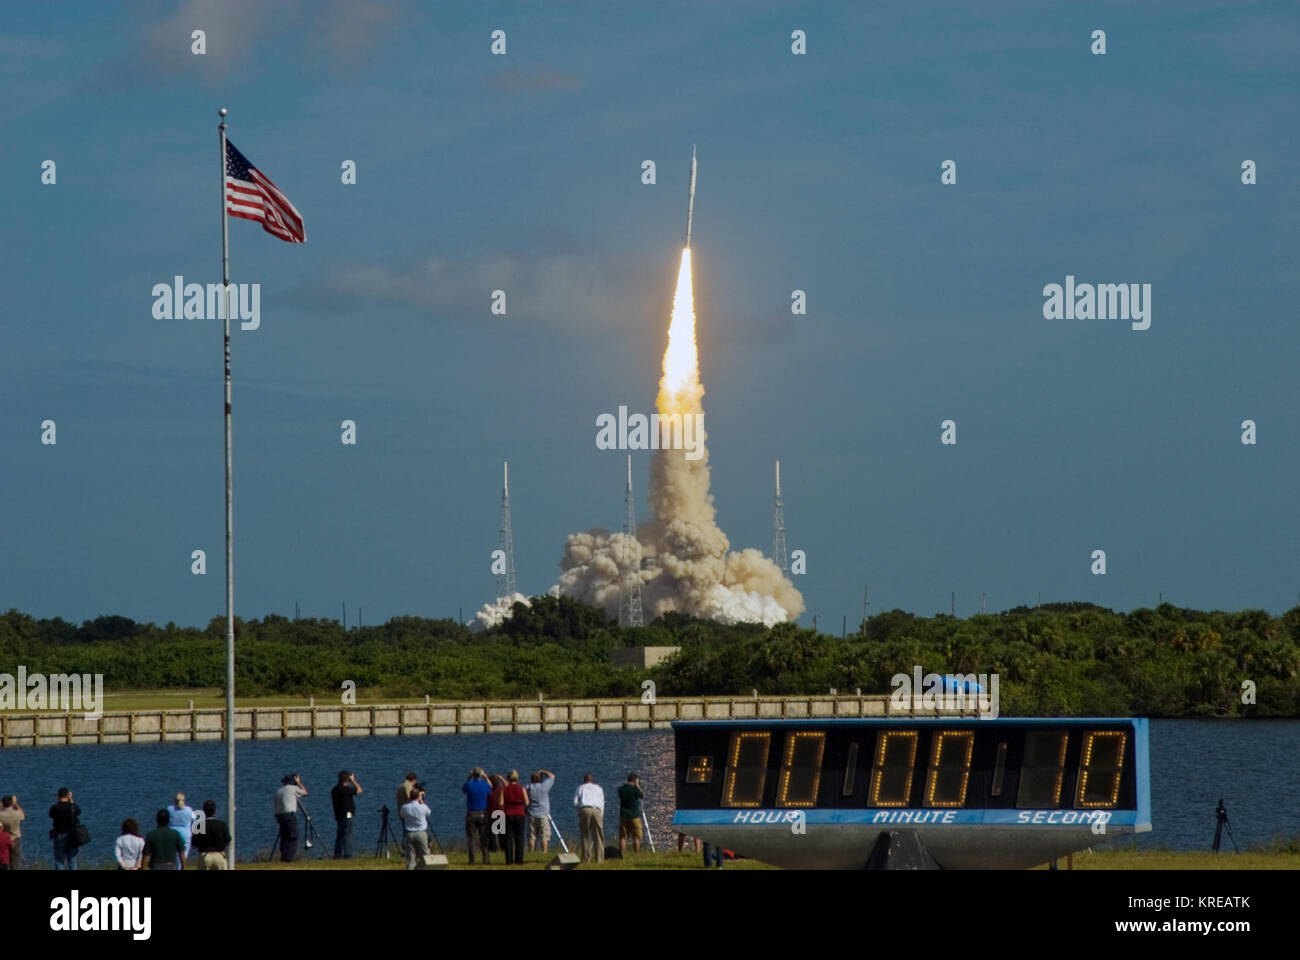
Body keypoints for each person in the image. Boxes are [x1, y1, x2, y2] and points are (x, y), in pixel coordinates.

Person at [273, 773, 307, 862]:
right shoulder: (293, 789)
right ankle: (288, 858)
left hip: (280, 816)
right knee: (293, 836)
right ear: (293, 781)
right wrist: (299, 783)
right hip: (289, 815)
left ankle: (283, 856)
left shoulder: (279, 791)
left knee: (284, 837)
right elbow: (305, 792)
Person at [398, 784, 431, 870]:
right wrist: (422, 801)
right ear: (418, 796)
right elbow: (428, 813)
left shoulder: (405, 807)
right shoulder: (422, 807)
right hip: (421, 833)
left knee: (411, 859)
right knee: (425, 857)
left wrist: (409, 800)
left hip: (409, 834)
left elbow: (401, 815)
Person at [573, 773, 605, 863]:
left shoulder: (580, 788)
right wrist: (600, 815)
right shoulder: (598, 788)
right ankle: (599, 859)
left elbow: (575, 803)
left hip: (585, 809)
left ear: (584, 781)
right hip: (597, 810)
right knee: (598, 835)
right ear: (593, 780)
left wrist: (580, 810)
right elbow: (602, 803)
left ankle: (586, 858)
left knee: (585, 835)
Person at [463, 767, 492, 864]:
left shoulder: (469, 785)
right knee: (484, 837)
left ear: (473, 775)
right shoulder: (484, 785)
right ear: (480, 775)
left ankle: (472, 860)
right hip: (482, 813)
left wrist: (468, 777)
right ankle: (486, 859)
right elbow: (491, 786)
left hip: (471, 813)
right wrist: (485, 776)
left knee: (471, 838)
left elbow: (464, 788)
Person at [330, 770, 363, 859]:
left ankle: (337, 855)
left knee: (340, 835)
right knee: (348, 835)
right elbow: (359, 790)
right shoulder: (346, 789)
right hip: (348, 815)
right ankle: (348, 855)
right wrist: (353, 780)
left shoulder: (335, 789)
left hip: (339, 815)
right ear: (347, 779)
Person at [192, 800, 232, 870]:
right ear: (215, 811)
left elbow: (194, 845)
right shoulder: (222, 825)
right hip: (219, 855)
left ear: (204, 812)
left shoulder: (199, 825)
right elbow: (228, 841)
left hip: (205, 856)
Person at [48, 787, 81, 870]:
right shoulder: (72, 807)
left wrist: (58, 801)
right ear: (67, 795)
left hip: (59, 835)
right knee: (72, 860)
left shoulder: (55, 807)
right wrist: (71, 799)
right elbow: (79, 811)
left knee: (59, 860)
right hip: (72, 836)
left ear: (58, 796)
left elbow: (51, 814)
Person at [526, 770, 555, 852]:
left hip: (531, 814)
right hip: (543, 815)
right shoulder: (544, 786)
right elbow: (552, 776)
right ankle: (544, 852)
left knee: (532, 836)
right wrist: (543, 771)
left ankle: (531, 852)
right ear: (540, 779)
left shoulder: (528, 787)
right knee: (544, 836)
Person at [503, 770, 528, 865]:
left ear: (508, 778)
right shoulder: (521, 788)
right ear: (517, 778)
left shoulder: (504, 789)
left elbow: (501, 802)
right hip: (520, 814)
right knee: (519, 838)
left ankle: (508, 860)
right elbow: (527, 802)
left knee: (508, 838)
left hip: (508, 814)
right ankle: (519, 860)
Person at [618, 773, 645, 854]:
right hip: (634, 815)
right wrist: (637, 785)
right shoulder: (635, 789)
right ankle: (636, 854)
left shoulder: (621, 789)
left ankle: (622, 854)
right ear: (635, 780)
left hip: (623, 815)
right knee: (636, 837)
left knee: (623, 836)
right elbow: (642, 795)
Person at [167, 792, 195, 867]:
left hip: (172, 834)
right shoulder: (189, 810)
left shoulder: (169, 809)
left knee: (173, 855)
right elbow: (194, 820)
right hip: (185, 835)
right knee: (183, 855)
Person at [0, 796, 25, 869]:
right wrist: (15, 803)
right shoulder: (16, 814)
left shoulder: (1, 815)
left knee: (4, 861)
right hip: (15, 838)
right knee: (15, 861)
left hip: (3, 839)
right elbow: (22, 814)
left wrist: (1, 804)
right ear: (11, 803)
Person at [485, 774, 506, 855]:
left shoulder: (489, 791)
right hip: (500, 812)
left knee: (492, 834)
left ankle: (493, 849)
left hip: (491, 813)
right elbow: (507, 785)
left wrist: (485, 776)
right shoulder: (501, 789)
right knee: (501, 833)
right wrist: (502, 778)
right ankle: (503, 848)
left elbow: (489, 784)